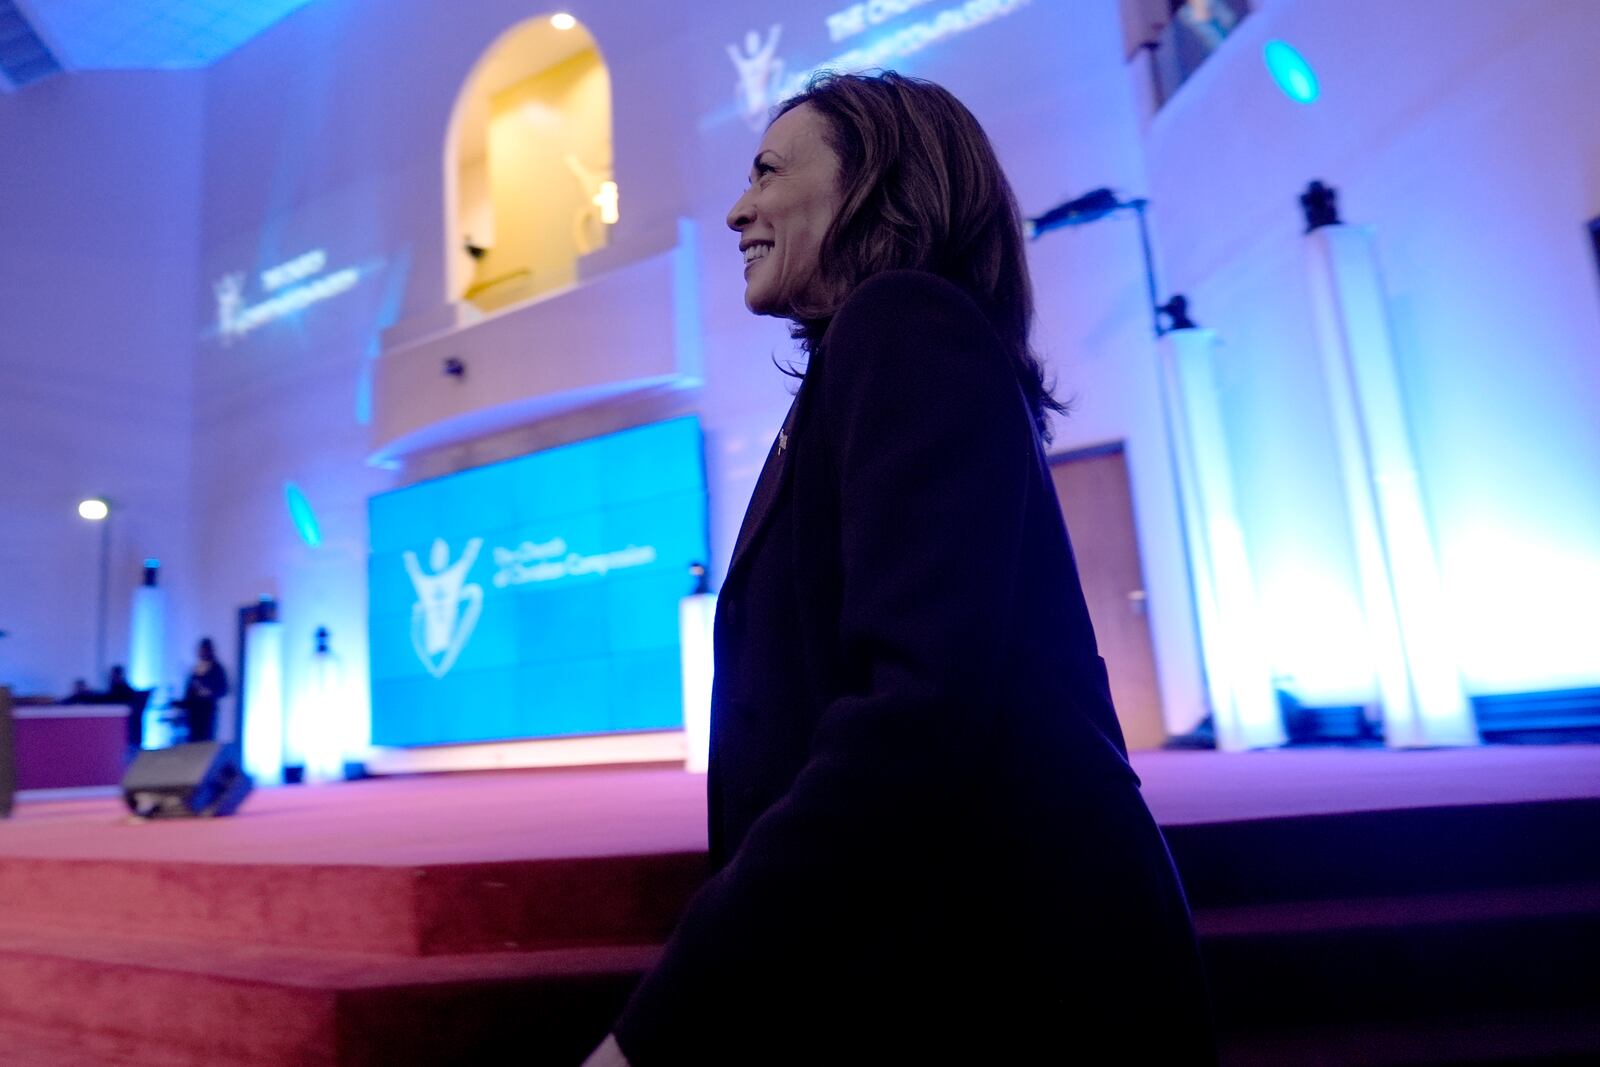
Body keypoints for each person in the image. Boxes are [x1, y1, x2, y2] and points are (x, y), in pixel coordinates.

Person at [586, 71, 1215, 1065]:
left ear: (872, 184)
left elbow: (909, 713)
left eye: (765, 172)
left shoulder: (903, 324)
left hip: (1015, 981)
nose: (735, 208)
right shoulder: (870, 355)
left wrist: (663, 1022)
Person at [178, 638, 228, 744]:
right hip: (194, 711)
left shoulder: (216, 669)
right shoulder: (195, 669)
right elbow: (188, 691)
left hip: (207, 711)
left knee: (205, 740)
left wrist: (208, 692)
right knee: (193, 741)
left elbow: (223, 689)